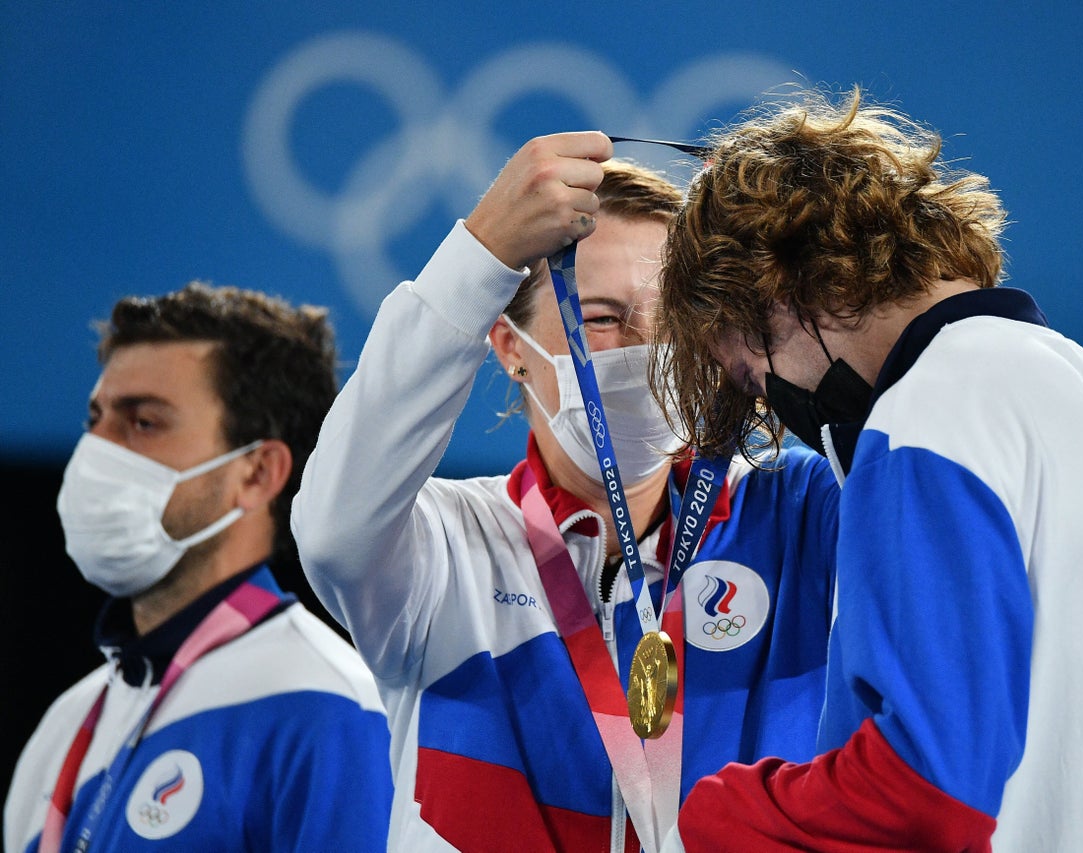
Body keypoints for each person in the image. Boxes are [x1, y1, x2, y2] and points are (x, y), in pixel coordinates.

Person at [653, 87, 1083, 851]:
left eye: (756, 376)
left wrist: (721, 814)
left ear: (777, 291)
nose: (781, 408)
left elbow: (923, 792)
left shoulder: (930, 416)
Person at [290, 136, 842, 852]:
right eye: (603, 318)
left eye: (672, 316)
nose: (644, 347)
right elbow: (334, 523)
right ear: (509, 344)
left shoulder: (799, 511)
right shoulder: (443, 550)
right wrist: (480, 253)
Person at [4, 284, 394, 852]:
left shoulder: (329, 709)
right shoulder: (64, 727)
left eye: (143, 422)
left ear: (257, 473)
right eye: (97, 418)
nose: (95, 450)